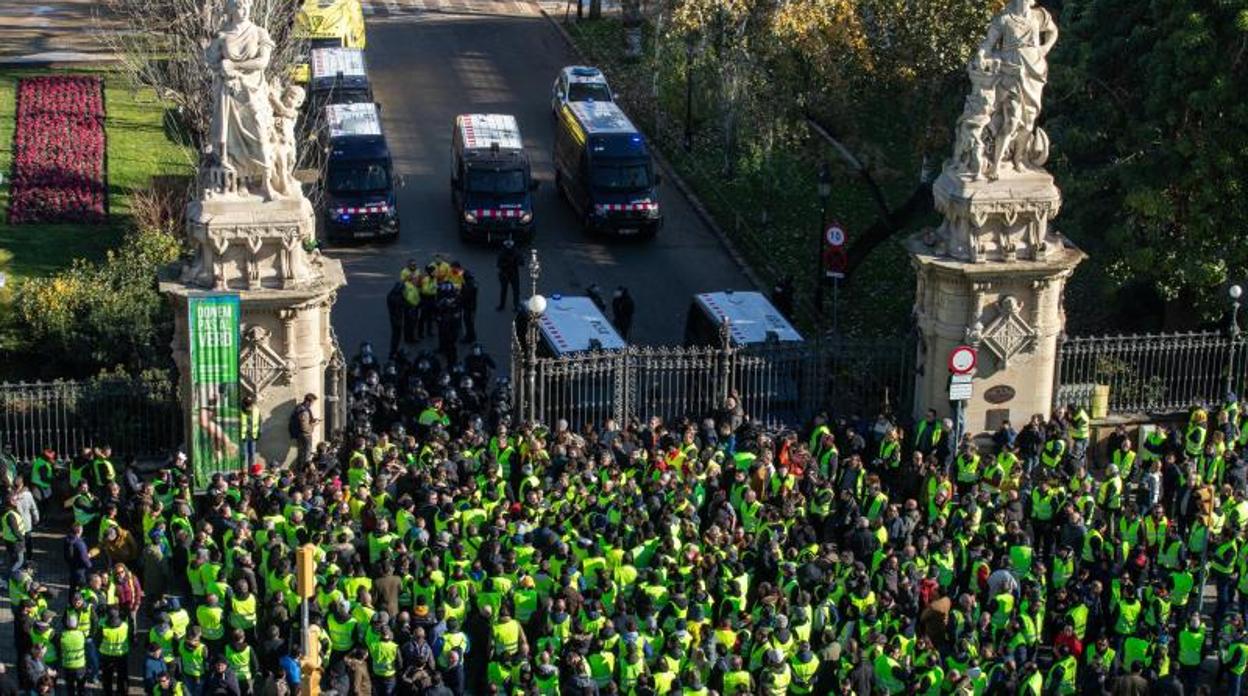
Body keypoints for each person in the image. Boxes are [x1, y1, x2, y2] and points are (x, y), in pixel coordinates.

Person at [290, 394, 318, 467]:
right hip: (305, 435)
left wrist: (312, 421)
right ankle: (304, 470)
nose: (312, 404)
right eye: (312, 402)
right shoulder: (303, 411)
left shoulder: (300, 408)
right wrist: (314, 424)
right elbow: (304, 427)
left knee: (301, 453)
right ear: (308, 401)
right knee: (306, 454)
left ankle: (301, 469)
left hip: (300, 435)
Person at [495, 240, 524, 311]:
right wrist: (509, 264)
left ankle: (515, 305)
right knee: (506, 290)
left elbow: (522, 262)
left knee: (515, 290)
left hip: (512, 273)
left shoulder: (515, 253)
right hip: (506, 273)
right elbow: (499, 264)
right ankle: (503, 305)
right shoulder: (503, 253)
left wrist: (516, 262)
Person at [240, 396, 261, 471]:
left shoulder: (256, 410)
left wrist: (259, 433)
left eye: (250, 404)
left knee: (252, 454)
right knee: (244, 455)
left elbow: (259, 422)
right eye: (247, 404)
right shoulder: (239, 411)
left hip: (253, 436)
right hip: (243, 437)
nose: (249, 406)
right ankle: (244, 472)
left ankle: (252, 471)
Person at [460, 270, 479, 343]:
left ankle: (469, 337)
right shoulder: (473, 284)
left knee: (468, 323)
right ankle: (472, 336)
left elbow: (465, 297)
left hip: (469, 307)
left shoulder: (469, 286)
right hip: (471, 307)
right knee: (470, 322)